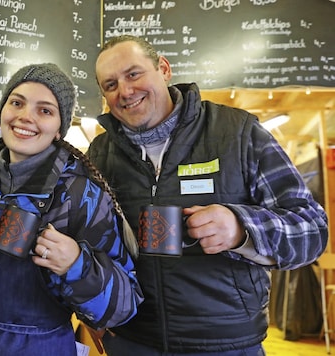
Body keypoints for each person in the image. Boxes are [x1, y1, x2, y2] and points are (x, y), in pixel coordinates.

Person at [87, 34, 329, 355]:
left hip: (225, 343)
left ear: (164, 68)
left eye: (134, 74)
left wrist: (241, 228)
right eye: (111, 84)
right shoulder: (100, 153)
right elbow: (91, 241)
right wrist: (94, 311)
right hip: (132, 340)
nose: (125, 91)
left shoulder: (237, 133)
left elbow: (312, 230)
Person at [0, 63, 143, 356]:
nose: (26, 117)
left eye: (45, 110)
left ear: (58, 129)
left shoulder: (81, 196)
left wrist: (77, 264)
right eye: (17, 103)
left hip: (38, 346)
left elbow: (123, 308)